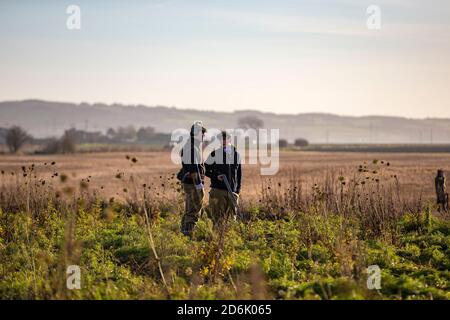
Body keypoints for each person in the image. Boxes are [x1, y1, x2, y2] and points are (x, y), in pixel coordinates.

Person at [205, 131, 242, 227]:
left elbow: (239, 173)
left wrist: (237, 191)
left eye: (225, 139)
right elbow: (205, 170)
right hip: (218, 191)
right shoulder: (214, 154)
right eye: (221, 139)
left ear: (230, 140)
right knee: (217, 219)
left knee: (231, 220)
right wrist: (216, 176)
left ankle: (229, 240)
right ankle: (216, 239)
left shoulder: (236, 155)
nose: (223, 141)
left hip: (232, 192)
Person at [178, 121, 207, 237]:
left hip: (190, 183)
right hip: (193, 183)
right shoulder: (192, 148)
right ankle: (189, 235)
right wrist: (199, 185)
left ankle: (183, 234)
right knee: (193, 210)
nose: (203, 138)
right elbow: (194, 169)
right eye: (202, 135)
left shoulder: (190, 145)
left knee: (189, 209)